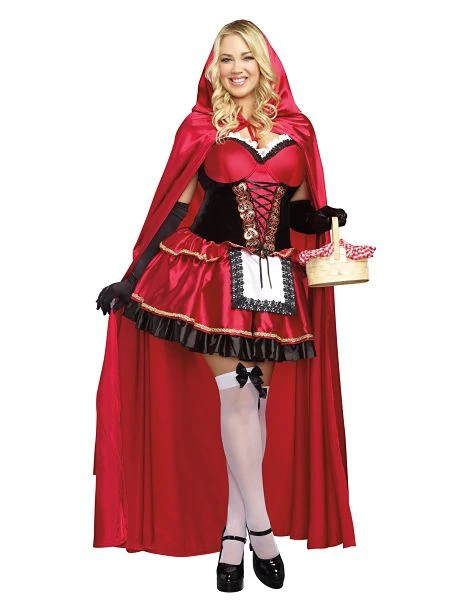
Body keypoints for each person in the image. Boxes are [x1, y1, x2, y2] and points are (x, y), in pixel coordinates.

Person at [93, 19, 356, 593]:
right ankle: (262, 531)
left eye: (246, 57)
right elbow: (174, 205)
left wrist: (325, 219)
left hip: (274, 280)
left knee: (255, 404)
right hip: (211, 276)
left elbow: (299, 210)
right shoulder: (202, 127)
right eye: (226, 59)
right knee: (237, 394)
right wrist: (130, 279)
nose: (236, 68)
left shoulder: (297, 130)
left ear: (265, 63)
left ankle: (232, 535)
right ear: (215, 68)